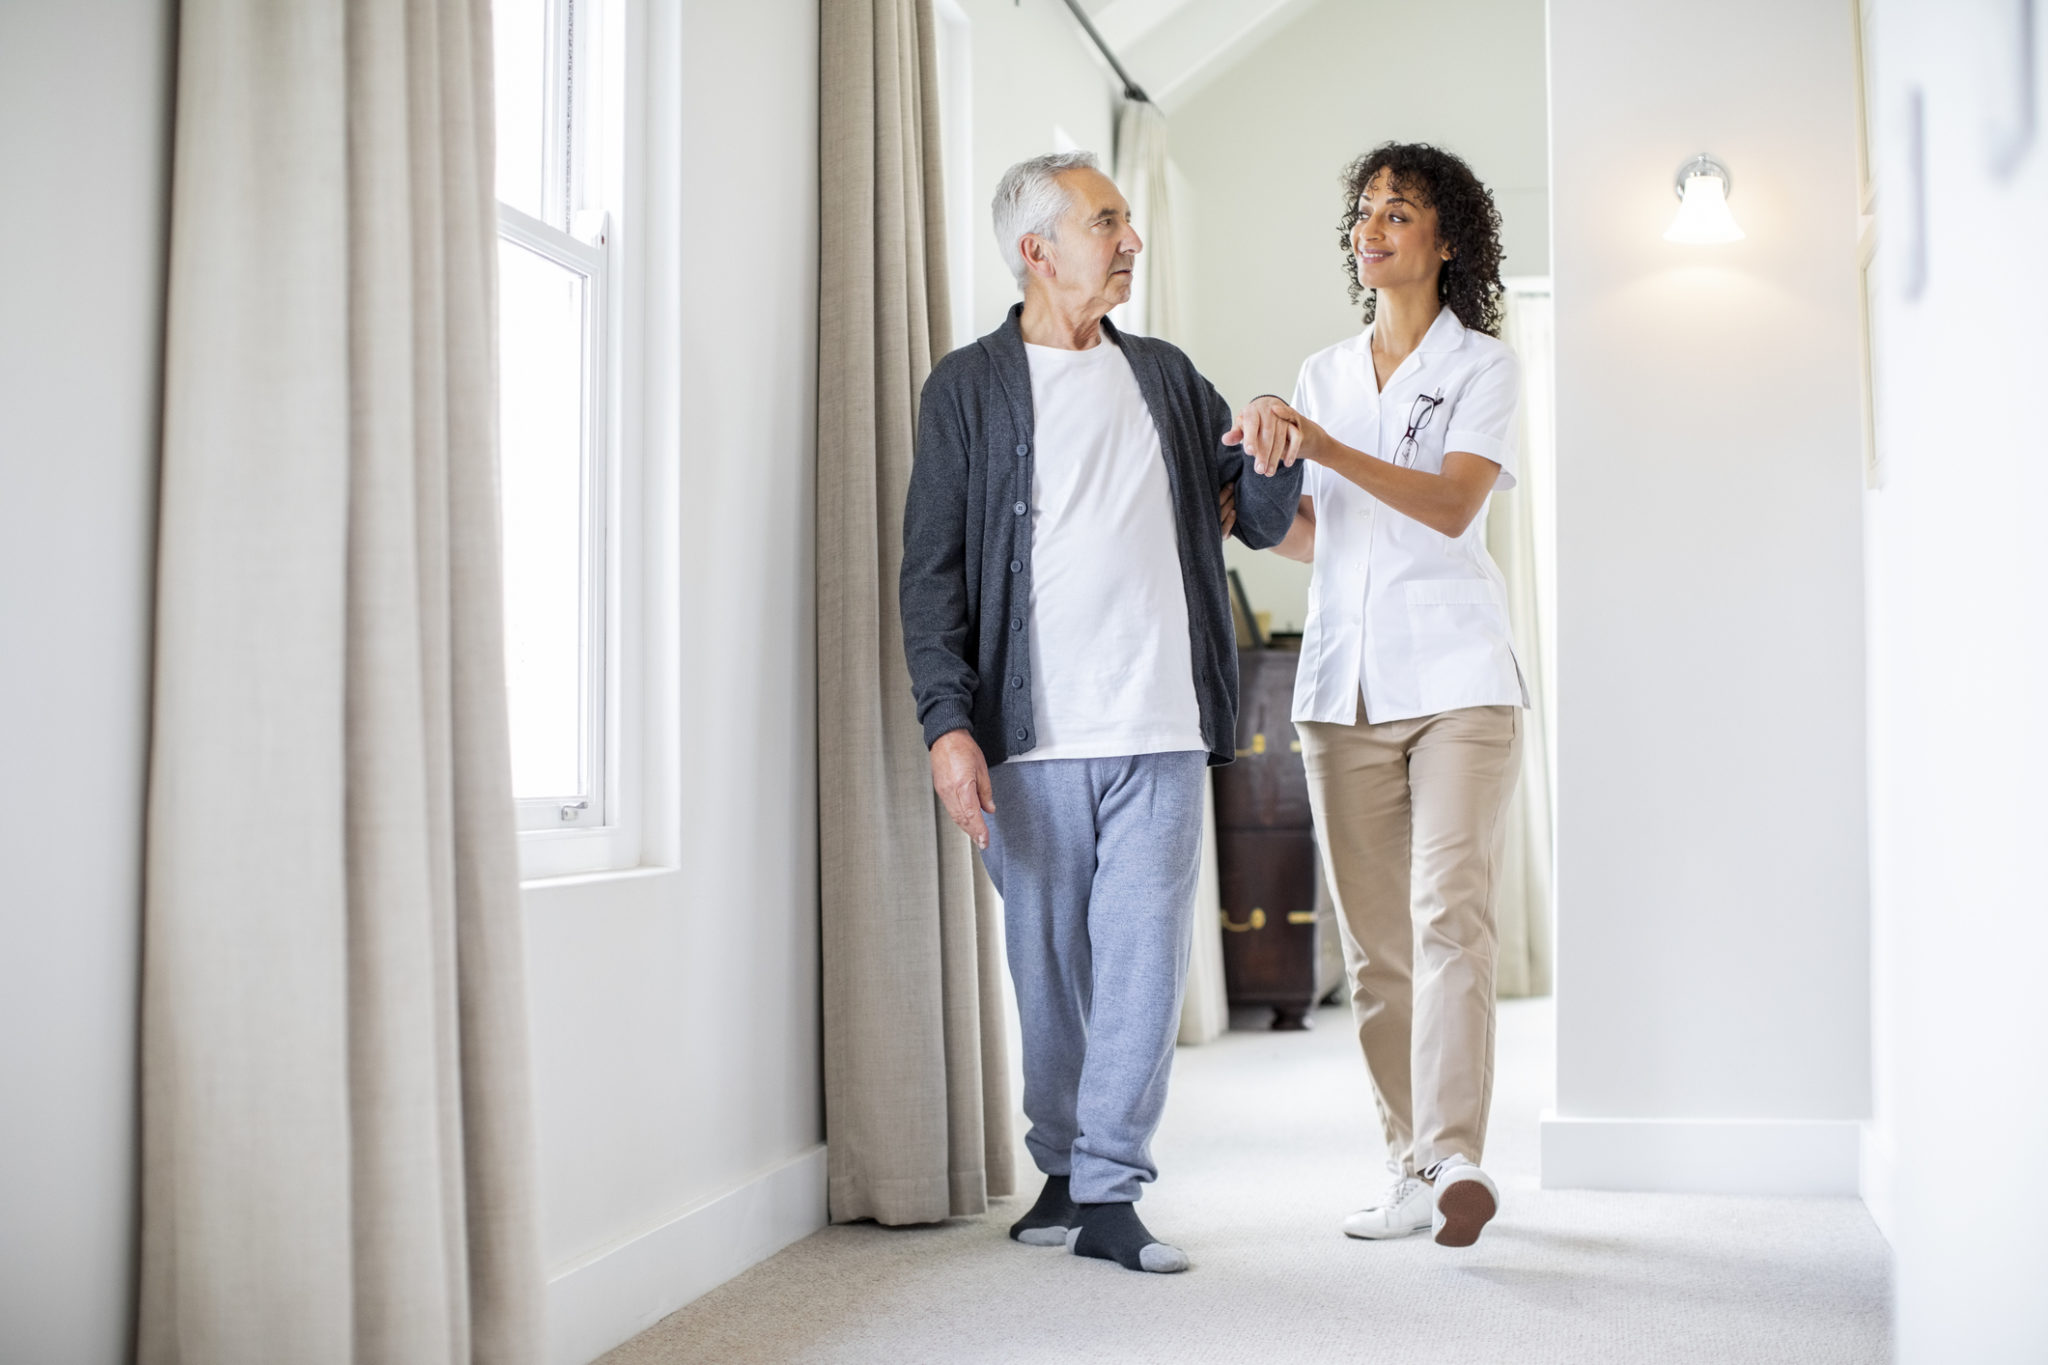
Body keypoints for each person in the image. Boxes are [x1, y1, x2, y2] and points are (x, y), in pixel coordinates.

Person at [900, 150, 1301, 1274]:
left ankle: (1114, 1191)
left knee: (1138, 963)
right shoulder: (967, 388)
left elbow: (1252, 518)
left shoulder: (1166, 377)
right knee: (1047, 973)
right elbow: (928, 573)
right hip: (1025, 738)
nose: (1128, 241)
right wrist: (946, 725)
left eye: (1128, 221)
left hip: (1161, 726)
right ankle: (1063, 1170)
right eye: (1105, 222)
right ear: (1037, 249)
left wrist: (1269, 430)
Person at [1227, 142, 1527, 1249]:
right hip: (1339, 687)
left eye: (1396, 212)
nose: (1371, 227)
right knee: (1374, 949)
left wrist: (1326, 447)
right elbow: (1322, 535)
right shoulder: (1320, 372)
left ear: (1445, 241)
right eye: (1362, 211)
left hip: (1454, 680)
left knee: (1451, 916)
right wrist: (1249, 511)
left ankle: (1455, 1156)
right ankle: (1406, 1163)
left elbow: (1449, 507)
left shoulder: (1482, 367)